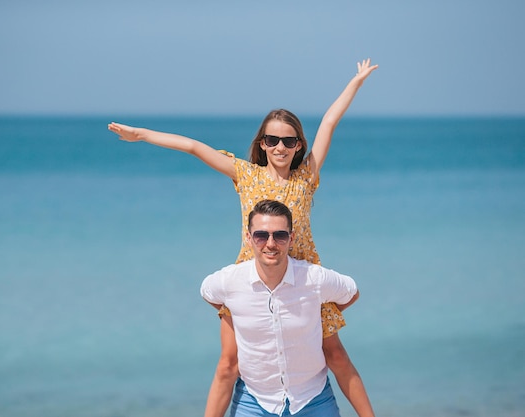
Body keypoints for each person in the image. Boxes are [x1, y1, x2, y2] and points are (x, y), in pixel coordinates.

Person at [107, 58, 377, 417]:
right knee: (228, 363)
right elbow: (192, 146)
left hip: (303, 278)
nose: (280, 147)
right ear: (262, 144)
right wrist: (140, 135)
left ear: (299, 145)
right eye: (272, 139)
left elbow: (329, 121)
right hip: (250, 276)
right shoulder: (245, 174)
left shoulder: (306, 176)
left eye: (289, 140)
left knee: (335, 355)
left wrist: (355, 82)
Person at [201, 199, 360, 417]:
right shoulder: (229, 282)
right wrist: (236, 314)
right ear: (248, 238)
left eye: (280, 235)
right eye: (261, 235)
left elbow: (351, 292)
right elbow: (207, 292)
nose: (270, 243)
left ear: (291, 238)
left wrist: (316, 316)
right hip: (253, 401)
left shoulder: (314, 279)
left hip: (313, 398)